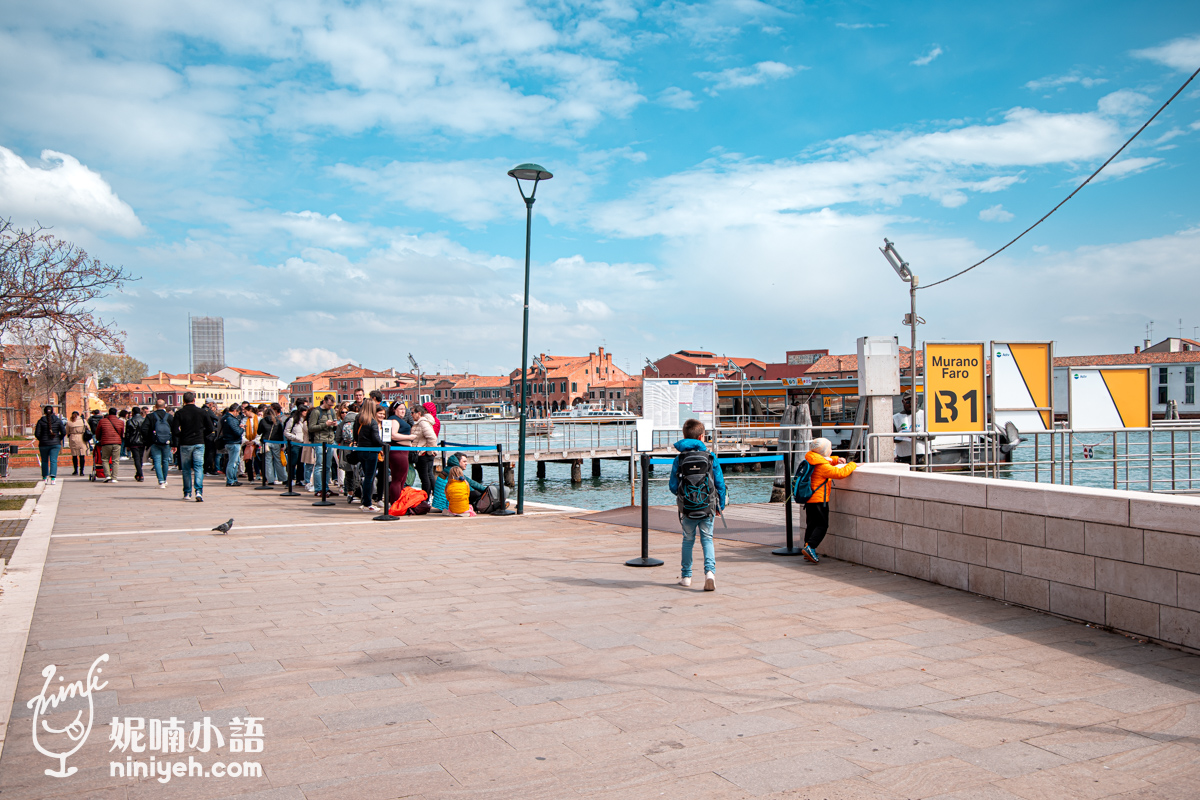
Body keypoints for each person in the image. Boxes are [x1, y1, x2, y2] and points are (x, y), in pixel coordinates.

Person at [668, 418, 726, 592]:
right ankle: (710, 573)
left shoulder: (680, 459)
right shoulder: (710, 457)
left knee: (688, 540)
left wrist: (684, 496)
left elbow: (672, 486)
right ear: (702, 437)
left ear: (684, 436)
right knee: (707, 539)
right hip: (707, 506)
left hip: (687, 508)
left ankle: (686, 576)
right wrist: (720, 506)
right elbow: (720, 484)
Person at [802, 438, 858, 563]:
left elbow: (823, 460)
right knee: (822, 525)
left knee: (811, 525)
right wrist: (853, 465)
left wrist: (835, 459)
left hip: (809, 499)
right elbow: (839, 473)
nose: (831, 451)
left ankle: (806, 549)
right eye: (829, 449)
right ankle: (811, 547)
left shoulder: (811, 459)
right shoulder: (822, 466)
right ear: (824, 451)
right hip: (819, 499)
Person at [173, 391, 214, 502]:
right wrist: (202, 434)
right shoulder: (202, 412)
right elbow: (210, 428)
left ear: (184, 401)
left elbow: (175, 429)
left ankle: (187, 492)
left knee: (186, 469)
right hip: (199, 442)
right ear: (194, 400)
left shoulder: (179, 413)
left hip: (185, 442)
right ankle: (199, 491)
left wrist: (181, 435)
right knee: (198, 467)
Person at [355, 399, 385, 512]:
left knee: (366, 477)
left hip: (361, 450)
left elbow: (355, 435)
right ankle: (368, 503)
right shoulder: (372, 422)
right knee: (369, 477)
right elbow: (376, 438)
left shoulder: (359, 420)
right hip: (371, 451)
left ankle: (365, 501)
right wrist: (385, 445)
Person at [307, 394, 338, 495]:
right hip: (319, 441)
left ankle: (325, 487)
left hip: (330, 441)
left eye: (332, 405)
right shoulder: (316, 412)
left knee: (327, 466)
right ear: (324, 402)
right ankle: (318, 489)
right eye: (329, 405)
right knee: (319, 465)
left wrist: (334, 425)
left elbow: (334, 427)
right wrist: (325, 424)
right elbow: (311, 427)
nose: (330, 407)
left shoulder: (332, 411)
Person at [143, 399, 175, 488]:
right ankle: (164, 479)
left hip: (155, 442)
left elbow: (144, 429)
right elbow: (174, 430)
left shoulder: (150, 416)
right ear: (165, 406)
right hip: (166, 442)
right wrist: (174, 443)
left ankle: (160, 481)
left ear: (155, 406)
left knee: (157, 461)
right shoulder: (169, 417)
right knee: (165, 461)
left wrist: (149, 439)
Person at [409, 404, 438, 494]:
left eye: (412, 412)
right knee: (428, 476)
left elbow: (432, 437)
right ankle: (433, 496)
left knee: (424, 477)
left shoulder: (422, 423)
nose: (411, 414)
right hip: (425, 453)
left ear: (419, 413)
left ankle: (426, 498)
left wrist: (428, 451)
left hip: (423, 454)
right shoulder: (423, 422)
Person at [33, 405, 65, 485]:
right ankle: (53, 478)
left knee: (44, 461)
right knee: (53, 460)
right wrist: (58, 438)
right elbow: (63, 432)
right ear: (53, 411)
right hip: (55, 443)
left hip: (43, 444)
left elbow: (37, 433)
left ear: (44, 412)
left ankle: (44, 477)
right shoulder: (57, 420)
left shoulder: (41, 421)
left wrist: (42, 439)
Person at [893, 395, 929, 464]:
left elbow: (932, 436)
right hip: (903, 455)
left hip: (921, 454)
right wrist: (902, 437)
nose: (911, 404)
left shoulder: (924, 415)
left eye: (914, 401)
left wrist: (918, 436)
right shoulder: (895, 418)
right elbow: (891, 438)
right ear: (903, 402)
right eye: (908, 402)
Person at [95, 407, 125, 482]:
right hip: (117, 443)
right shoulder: (120, 422)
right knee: (115, 460)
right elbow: (121, 433)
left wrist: (99, 439)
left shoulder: (102, 421)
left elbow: (98, 432)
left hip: (105, 443)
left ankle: (107, 475)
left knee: (105, 459)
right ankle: (114, 477)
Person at [220, 404, 244, 487]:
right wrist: (242, 428)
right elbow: (237, 432)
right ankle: (231, 480)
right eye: (238, 412)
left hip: (229, 442)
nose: (238, 414)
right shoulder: (231, 419)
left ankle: (234, 479)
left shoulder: (224, 418)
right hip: (233, 442)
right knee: (232, 462)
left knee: (235, 462)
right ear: (235, 411)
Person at [262, 405, 285, 485]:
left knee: (268, 461)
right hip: (277, 442)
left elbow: (259, 431)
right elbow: (281, 434)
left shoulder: (263, 421)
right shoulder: (277, 421)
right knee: (278, 461)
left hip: (267, 442)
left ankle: (270, 479)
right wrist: (282, 445)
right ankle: (283, 478)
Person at [124, 406, 147, 482]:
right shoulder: (144, 420)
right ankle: (138, 473)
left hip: (133, 442)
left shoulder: (130, 421)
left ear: (133, 412)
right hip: (142, 441)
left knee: (136, 458)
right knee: (140, 458)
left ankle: (140, 474)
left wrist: (127, 445)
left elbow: (127, 434)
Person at [66, 411, 88, 476]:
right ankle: (82, 471)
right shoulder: (83, 421)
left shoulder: (69, 422)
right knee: (82, 455)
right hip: (82, 437)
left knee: (74, 455)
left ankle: (75, 470)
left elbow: (67, 431)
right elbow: (88, 428)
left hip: (73, 438)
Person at [203, 400, 222, 475]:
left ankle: (205, 468)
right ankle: (210, 468)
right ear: (210, 404)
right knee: (211, 452)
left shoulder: (201, 409)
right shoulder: (208, 410)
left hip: (203, 434)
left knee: (205, 453)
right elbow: (216, 418)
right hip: (210, 434)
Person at [242, 403, 259, 482]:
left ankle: (259, 474)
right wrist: (246, 441)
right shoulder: (244, 420)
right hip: (247, 442)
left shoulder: (258, 419)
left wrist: (254, 441)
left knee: (258, 459)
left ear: (250, 411)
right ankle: (250, 477)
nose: (244, 413)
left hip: (256, 442)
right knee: (248, 459)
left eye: (245, 411)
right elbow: (242, 431)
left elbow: (260, 432)